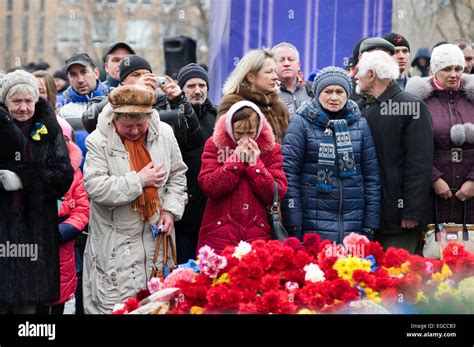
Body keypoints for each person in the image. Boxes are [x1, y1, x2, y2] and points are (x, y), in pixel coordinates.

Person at [82, 85, 188, 314]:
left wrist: (170, 211)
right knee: (116, 307)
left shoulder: (165, 134)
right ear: (115, 119)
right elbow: (96, 188)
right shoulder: (98, 141)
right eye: (127, 126)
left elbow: (178, 175)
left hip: (156, 242)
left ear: (150, 117)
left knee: (157, 305)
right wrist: (139, 180)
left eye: (140, 125)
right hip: (115, 248)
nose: (134, 131)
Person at [0, 70, 74, 314]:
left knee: (27, 312)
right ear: (5, 102)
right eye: (16, 101)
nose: (23, 107)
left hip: (34, 233)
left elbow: (62, 176)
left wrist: (24, 179)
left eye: (28, 100)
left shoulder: (48, 129)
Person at [281, 67, 380, 242]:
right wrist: (294, 224)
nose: (334, 97)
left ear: (347, 94)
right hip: (312, 223)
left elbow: (371, 177)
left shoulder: (360, 124)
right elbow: (289, 174)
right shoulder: (301, 123)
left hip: (353, 223)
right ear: (317, 93)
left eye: (340, 92)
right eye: (328, 91)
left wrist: (370, 225)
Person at [356, 51, 433, 253]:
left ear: (371, 74)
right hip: (366, 216)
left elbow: (419, 163)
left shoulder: (411, 106)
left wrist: (411, 211)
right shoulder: (360, 108)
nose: (355, 76)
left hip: (399, 219)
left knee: (399, 279)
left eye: (359, 71)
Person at [197, 100, 288, 254]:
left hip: (258, 232)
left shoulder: (272, 150)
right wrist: (235, 161)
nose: (245, 139)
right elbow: (209, 186)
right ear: (229, 128)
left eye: (251, 132)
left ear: (258, 129)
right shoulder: (214, 145)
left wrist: (255, 165)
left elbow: (276, 192)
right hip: (219, 232)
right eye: (239, 133)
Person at [406, 44, 474, 226]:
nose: (454, 74)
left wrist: (473, 181)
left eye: (458, 68)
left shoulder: (471, 97)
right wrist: (433, 178)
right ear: (434, 70)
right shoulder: (418, 101)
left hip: (470, 192)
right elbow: (410, 146)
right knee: (433, 250)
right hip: (431, 193)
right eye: (446, 68)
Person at [82, 55, 204, 152]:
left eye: (146, 74)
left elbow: (195, 141)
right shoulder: (107, 99)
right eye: (135, 75)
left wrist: (180, 100)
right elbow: (89, 120)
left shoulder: (165, 102)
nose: (143, 79)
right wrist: (131, 92)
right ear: (123, 81)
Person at [37, 117, 90, 315]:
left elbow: (82, 210)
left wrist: (61, 232)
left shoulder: (74, 174)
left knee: (57, 300)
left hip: (61, 245)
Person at [174, 63, 217, 263]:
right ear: (181, 89)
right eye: (191, 86)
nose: (198, 91)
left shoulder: (219, 119)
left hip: (211, 210)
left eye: (202, 85)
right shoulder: (172, 117)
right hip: (181, 212)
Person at [220, 49, 290, 144]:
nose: (275, 77)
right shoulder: (232, 104)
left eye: (275, 71)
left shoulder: (279, 106)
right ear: (251, 77)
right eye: (269, 72)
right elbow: (223, 146)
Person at [57, 52, 106, 131]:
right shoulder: (58, 105)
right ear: (68, 79)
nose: (80, 80)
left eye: (84, 72)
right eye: (73, 75)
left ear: (96, 73)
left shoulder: (112, 100)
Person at [272, 42, 313, 117]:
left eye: (291, 59)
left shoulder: (313, 90)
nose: (286, 63)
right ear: (272, 65)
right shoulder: (267, 93)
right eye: (281, 60)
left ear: (298, 65)